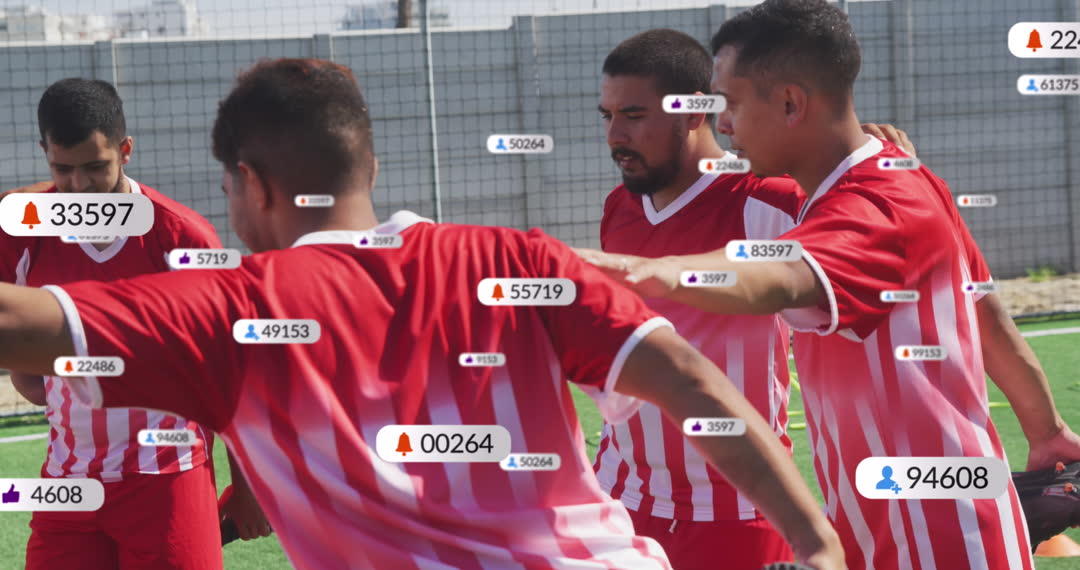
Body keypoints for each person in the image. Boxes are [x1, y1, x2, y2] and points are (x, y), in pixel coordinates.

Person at [0, 57, 846, 570]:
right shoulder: (516, 258)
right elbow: (692, 380)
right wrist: (816, 542)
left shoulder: (234, 310)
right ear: (367, 165)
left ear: (250, 186)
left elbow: (18, 326)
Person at [575, 1, 1080, 569]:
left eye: (732, 104)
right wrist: (1048, 431)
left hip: (933, 537)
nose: (724, 123)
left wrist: (638, 271)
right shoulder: (894, 176)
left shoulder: (875, 203)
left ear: (791, 103)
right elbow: (982, 308)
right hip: (868, 525)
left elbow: (781, 276)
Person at [594, 28, 914, 570]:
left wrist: (884, 163)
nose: (614, 135)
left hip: (738, 512)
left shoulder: (773, 201)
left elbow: (883, 226)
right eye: (606, 116)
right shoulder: (619, 206)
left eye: (633, 115)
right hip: (619, 503)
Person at [0, 77, 267, 569]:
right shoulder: (19, 230)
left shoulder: (183, 236)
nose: (79, 186)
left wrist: (248, 486)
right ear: (44, 153)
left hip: (168, 477)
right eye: (63, 169)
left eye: (95, 167)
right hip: (68, 481)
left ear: (125, 150)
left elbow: (233, 369)